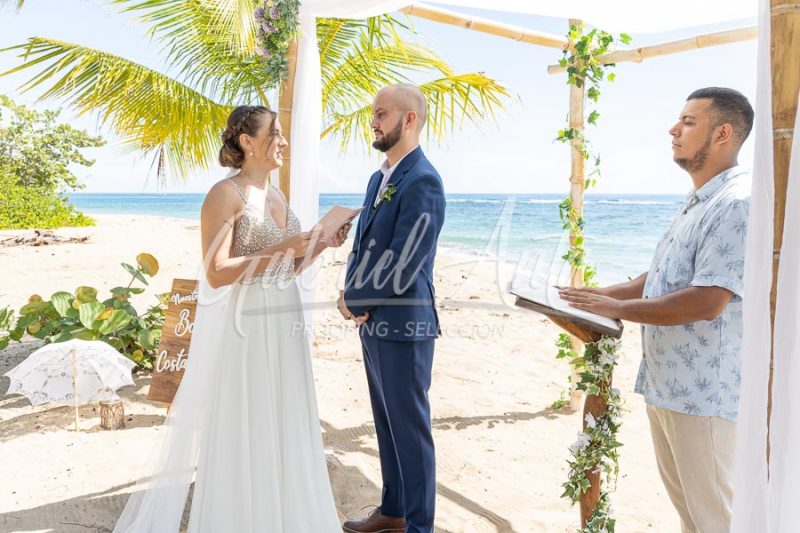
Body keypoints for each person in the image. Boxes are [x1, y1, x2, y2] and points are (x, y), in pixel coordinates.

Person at [114, 105, 350, 532]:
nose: (282, 141)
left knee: (284, 419)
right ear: (247, 141)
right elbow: (216, 271)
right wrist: (287, 246)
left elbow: (289, 267)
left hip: (284, 320)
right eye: (274, 133)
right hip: (249, 323)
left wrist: (320, 244)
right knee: (250, 422)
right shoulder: (226, 195)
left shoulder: (277, 196)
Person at [560, 87, 754, 533]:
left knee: (716, 520)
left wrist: (618, 308)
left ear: (722, 133)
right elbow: (661, 275)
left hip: (704, 395)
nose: (673, 129)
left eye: (687, 121)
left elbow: (708, 300)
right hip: (669, 387)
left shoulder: (735, 204)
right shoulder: (700, 200)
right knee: (691, 517)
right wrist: (591, 297)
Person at [337, 84, 446, 533]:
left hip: (404, 326)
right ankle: (394, 511)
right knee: (386, 423)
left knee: (411, 431)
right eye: (372, 114)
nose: (373, 121)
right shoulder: (378, 177)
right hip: (374, 322)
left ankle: (419, 527)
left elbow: (405, 261)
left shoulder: (423, 180)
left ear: (410, 119)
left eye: (382, 113)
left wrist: (353, 300)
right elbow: (367, 247)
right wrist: (352, 291)